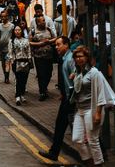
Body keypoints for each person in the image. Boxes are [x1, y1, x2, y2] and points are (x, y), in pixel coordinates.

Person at [71, 45, 115, 166]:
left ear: (87, 57)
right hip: (80, 110)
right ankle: (90, 163)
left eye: (81, 56)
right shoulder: (78, 72)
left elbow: (101, 94)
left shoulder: (94, 73)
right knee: (77, 139)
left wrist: (97, 113)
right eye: (76, 57)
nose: (78, 59)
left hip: (91, 111)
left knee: (93, 141)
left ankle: (98, 164)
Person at [39, 35, 76, 163]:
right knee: (60, 125)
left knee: (77, 127)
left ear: (66, 45)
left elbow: (75, 78)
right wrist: (63, 92)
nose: (56, 47)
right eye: (55, 45)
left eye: (58, 44)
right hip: (67, 96)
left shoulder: (70, 59)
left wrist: (69, 95)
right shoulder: (64, 58)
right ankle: (53, 153)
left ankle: (100, 152)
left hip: (72, 98)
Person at [30, 13, 55, 100]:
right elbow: (29, 42)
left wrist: (49, 41)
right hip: (38, 57)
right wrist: (39, 43)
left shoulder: (48, 29)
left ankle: (45, 88)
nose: (44, 22)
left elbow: (55, 38)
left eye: (44, 20)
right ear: (37, 23)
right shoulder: (33, 32)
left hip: (49, 56)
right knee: (41, 74)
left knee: (49, 73)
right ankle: (42, 92)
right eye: (42, 21)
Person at [9, 23, 32, 105]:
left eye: (19, 30)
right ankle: (17, 96)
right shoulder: (12, 41)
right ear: (14, 32)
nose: (17, 32)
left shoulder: (26, 40)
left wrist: (29, 60)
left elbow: (29, 51)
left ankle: (22, 95)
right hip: (17, 63)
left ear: (21, 31)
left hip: (26, 63)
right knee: (18, 80)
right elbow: (10, 53)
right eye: (16, 30)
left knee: (24, 80)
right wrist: (12, 61)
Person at [0, 10, 15, 84]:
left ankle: (7, 77)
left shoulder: (12, 26)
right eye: (2, 16)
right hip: (1, 47)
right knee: (3, 63)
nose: (3, 18)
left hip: (9, 47)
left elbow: (13, 36)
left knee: (7, 62)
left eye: (5, 16)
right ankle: (5, 75)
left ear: (7, 16)